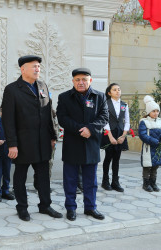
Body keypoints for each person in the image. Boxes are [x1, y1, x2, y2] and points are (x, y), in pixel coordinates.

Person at [1, 55, 62, 222]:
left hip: (42, 141)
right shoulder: (12, 89)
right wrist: (12, 144)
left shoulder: (42, 85)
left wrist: (52, 136)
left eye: (39, 66)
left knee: (43, 176)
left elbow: (49, 112)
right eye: (34, 66)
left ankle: (45, 205)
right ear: (23, 69)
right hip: (22, 142)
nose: (37, 69)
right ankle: (22, 208)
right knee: (20, 176)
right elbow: (8, 119)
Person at [56, 68, 109, 221]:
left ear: (90, 80)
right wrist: (81, 130)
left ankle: (90, 208)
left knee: (90, 181)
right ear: (73, 81)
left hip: (91, 144)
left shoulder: (99, 96)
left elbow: (104, 116)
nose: (81, 82)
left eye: (84, 79)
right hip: (73, 143)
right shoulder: (65, 97)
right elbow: (62, 118)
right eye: (77, 79)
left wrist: (90, 129)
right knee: (70, 180)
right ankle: (71, 208)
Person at [101, 83, 130, 192]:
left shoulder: (124, 105)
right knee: (108, 157)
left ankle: (115, 181)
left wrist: (123, 135)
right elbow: (105, 120)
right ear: (109, 93)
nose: (117, 91)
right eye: (114, 90)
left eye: (119, 89)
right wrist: (110, 137)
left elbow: (127, 121)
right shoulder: (106, 104)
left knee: (117, 158)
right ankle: (105, 181)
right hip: (109, 132)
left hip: (120, 133)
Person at [138, 95, 161, 192]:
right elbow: (143, 135)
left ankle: (153, 182)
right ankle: (146, 183)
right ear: (148, 112)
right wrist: (154, 141)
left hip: (157, 148)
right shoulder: (144, 122)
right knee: (147, 166)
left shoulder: (160, 121)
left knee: (155, 166)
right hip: (148, 148)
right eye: (153, 111)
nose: (156, 113)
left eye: (157, 111)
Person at [0, 107, 15, 202]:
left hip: (8, 151)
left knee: (7, 172)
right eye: (2, 111)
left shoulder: (11, 123)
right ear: (0, 112)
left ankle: (5, 191)